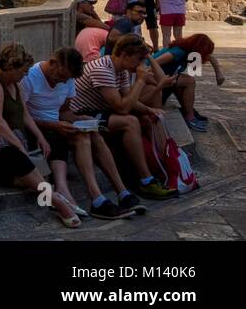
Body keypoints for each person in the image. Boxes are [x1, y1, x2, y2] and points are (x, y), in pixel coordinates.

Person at [0, 43, 82, 228]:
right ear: (11, 68)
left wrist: (40, 137)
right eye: (23, 72)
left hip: (10, 137)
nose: (25, 76)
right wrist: (19, 145)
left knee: (53, 140)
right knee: (16, 155)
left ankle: (52, 190)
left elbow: (24, 114)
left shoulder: (15, 83)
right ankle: (58, 202)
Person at [19, 48, 139, 219]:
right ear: (53, 63)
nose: (62, 81)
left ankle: (122, 192)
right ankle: (97, 198)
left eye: (66, 79)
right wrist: (53, 125)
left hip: (57, 125)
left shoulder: (67, 80)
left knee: (94, 133)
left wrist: (80, 119)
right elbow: (22, 116)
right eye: (60, 76)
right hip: (37, 128)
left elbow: (64, 111)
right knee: (82, 138)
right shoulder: (29, 77)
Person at [71, 34, 178, 200]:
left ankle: (154, 171)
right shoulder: (102, 69)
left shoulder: (120, 69)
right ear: (124, 55)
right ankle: (146, 179)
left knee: (143, 118)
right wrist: (141, 80)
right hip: (81, 114)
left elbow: (129, 99)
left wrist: (148, 110)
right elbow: (122, 108)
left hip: (99, 110)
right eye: (138, 59)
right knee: (130, 122)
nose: (140, 64)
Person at [151, 35, 223, 131]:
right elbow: (152, 63)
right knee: (189, 81)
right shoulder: (178, 52)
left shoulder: (188, 50)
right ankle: (190, 117)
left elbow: (211, 57)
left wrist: (218, 73)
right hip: (152, 83)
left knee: (181, 83)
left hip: (163, 81)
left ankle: (188, 112)